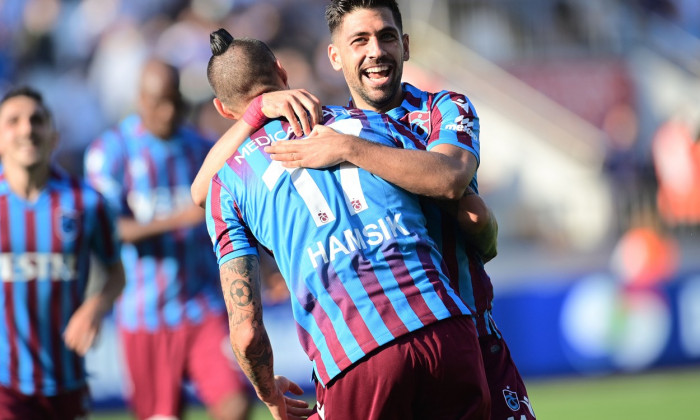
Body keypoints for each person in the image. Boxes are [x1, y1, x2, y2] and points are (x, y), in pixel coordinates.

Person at [191, 1, 530, 418]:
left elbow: (456, 189)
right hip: (444, 333)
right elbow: (201, 190)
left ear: (406, 45)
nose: (375, 51)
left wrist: (346, 148)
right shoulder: (356, 124)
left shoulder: (439, 108)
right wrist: (261, 112)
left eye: (386, 37)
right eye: (359, 41)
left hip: (464, 331)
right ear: (332, 57)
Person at [83, 59, 251, 420]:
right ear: (141, 100)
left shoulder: (203, 148)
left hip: (203, 305)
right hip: (144, 315)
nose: (169, 111)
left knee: (235, 402)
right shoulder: (111, 151)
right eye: (160, 101)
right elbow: (110, 230)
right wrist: (185, 216)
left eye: (176, 101)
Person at [0, 86, 125, 419]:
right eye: (14, 121)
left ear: (53, 137)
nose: (27, 129)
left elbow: (116, 272)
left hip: (67, 379)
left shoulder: (86, 202)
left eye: (37, 120)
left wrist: (95, 307)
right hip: (5, 383)